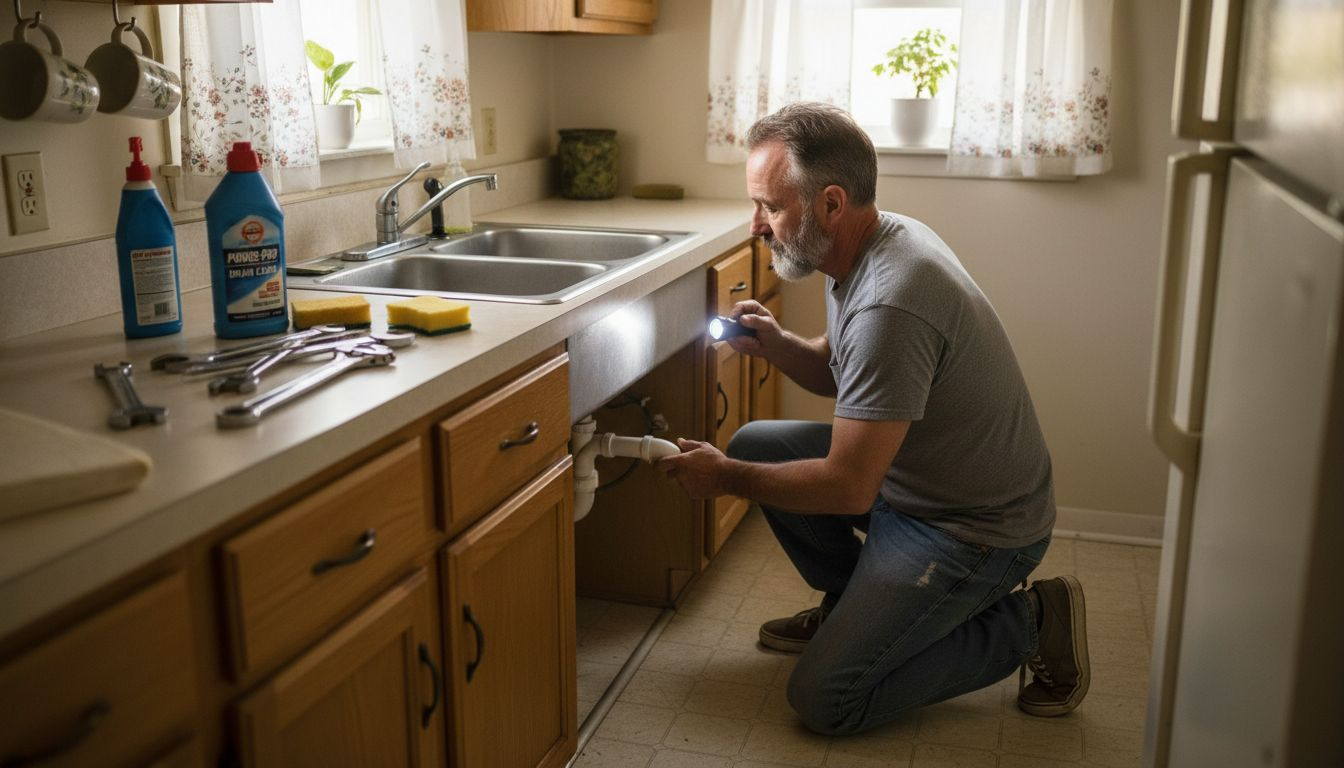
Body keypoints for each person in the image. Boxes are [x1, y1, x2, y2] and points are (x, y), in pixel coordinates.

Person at [657, 102, 1089, 736]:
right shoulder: (868, 245)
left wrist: (725, 478)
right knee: (757, 443)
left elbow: (848, 487)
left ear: (831, 203)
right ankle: (852, 611)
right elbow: (844, 373)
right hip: (911, 481)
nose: (757, 226)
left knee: (827, 699)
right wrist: (777, 345)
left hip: (971, 528)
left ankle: (1032, 622)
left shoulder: (892, 300)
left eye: (770, 207)